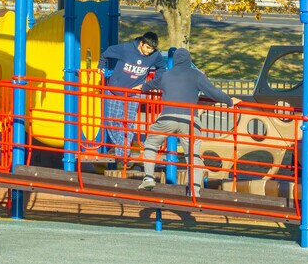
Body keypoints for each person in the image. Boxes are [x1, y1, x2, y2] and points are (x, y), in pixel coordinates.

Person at [136, 47, 240, 197]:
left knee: (151, 143)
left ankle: (149, 177)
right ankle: (194, 191)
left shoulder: (166, 75)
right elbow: (213, 92)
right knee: (193, 156)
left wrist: (141, 87)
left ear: (176, 61)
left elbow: (149, 85)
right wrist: (230, 101)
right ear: (189, 60)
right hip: (190, 120)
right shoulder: (197, 75)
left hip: (167, 118)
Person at [97, 32, 167, 162]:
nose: (149, 51)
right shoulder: (126, 49)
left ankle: (122, 153)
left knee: (128, 124)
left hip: (133, 93)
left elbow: (161, 67)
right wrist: (100, 67)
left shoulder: (155, 55)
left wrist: (152, 83)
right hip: (115, 91)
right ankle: (120, 147)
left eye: (152, 49)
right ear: (141, 43)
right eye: (147, 48)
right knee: (112, 122)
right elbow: (107, 53)